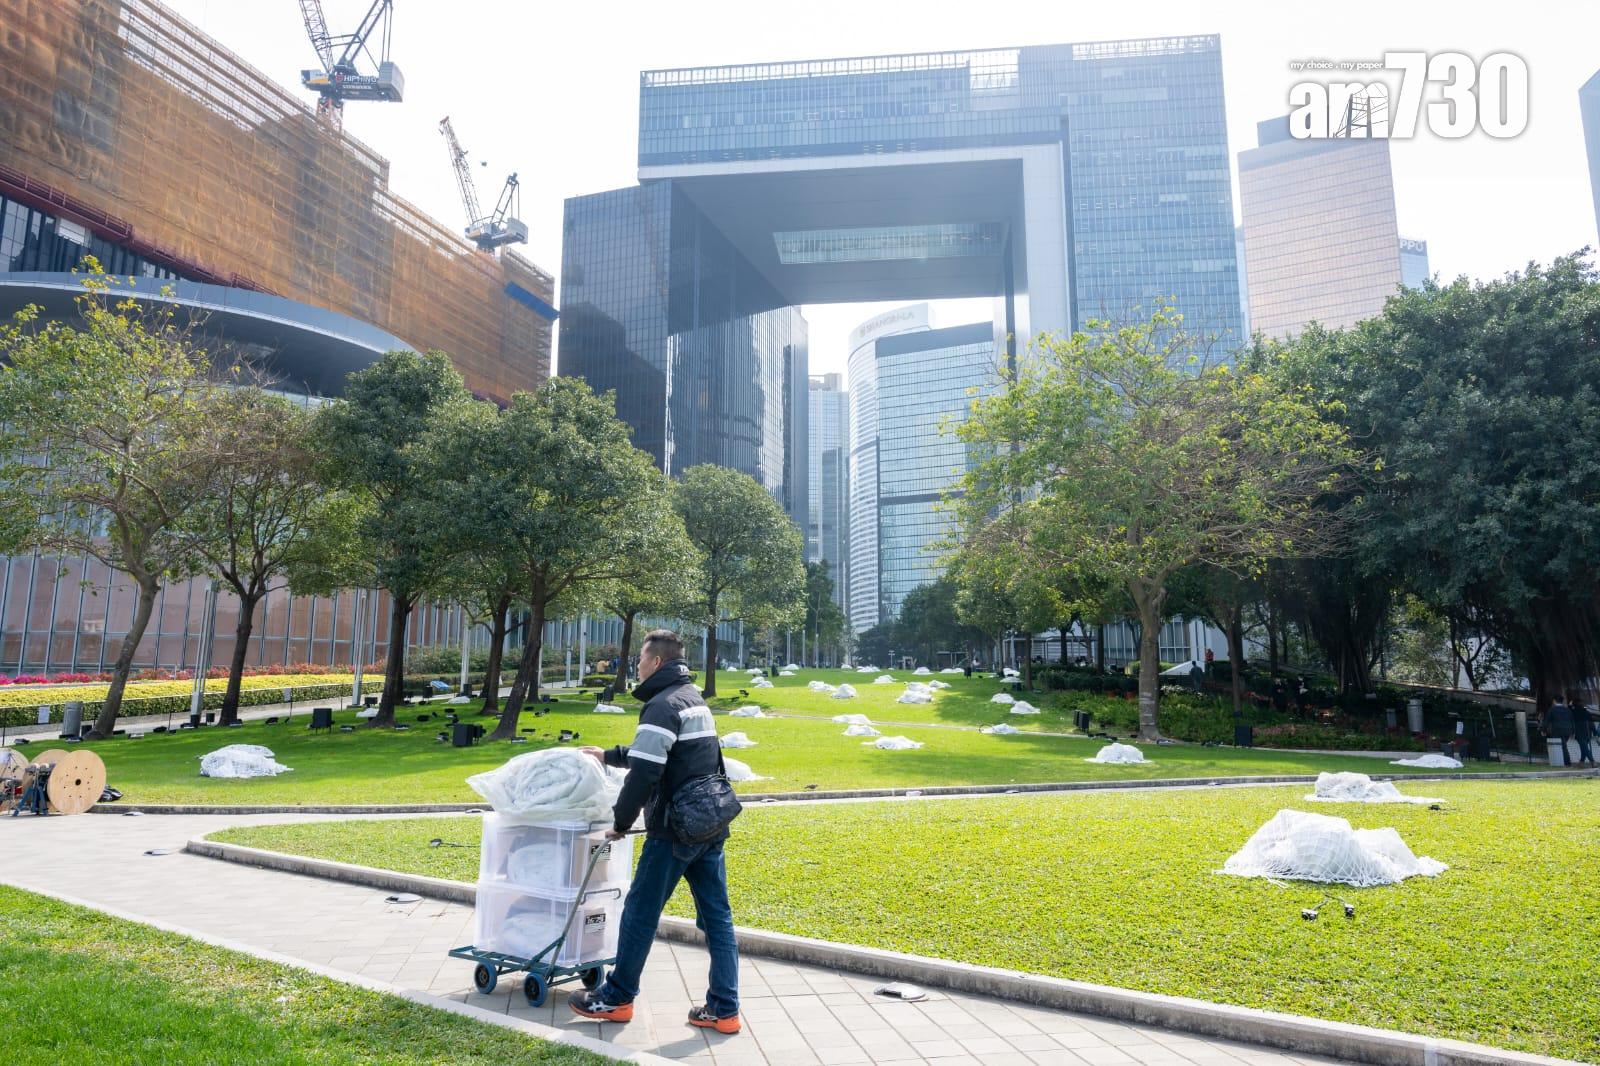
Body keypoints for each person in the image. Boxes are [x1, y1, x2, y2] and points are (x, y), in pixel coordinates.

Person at [572, 629, 740, 1034]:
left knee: (639, 914)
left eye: (641, 660)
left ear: (657, 662)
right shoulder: (693, 700)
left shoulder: (661, 707)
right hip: (709, 825)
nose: (637, 667)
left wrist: (620, 823)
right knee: (717, 919)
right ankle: (725, 1010)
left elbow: (646, 773)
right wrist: (609, 755)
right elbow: (671, 756)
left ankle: (617, 998)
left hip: (672, 831)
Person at [1542, 695, 1574, 767]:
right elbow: (1572, 721)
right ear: (1562, 701)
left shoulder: (1552, 710)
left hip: (1557, 730)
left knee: (1562, 746)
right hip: (1567, 730)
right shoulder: (1567, 710)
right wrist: (1573, 731)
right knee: (1563, 745)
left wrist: (1543, 730)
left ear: (1554, 701)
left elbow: (1547, 721)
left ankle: (1566, 762)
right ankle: (1564, 762)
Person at [1565, 690, 1594, 766]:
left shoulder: (1574, 711)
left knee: (1584, 747)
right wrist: (1594, 732)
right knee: (1584, 747)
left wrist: (1570, 705)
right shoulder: (1587, 712)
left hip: (1579, 731)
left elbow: (1568, 710)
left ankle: (1592, 761)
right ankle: (1582, 762)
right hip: (1588, 731)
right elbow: (1592, 723)